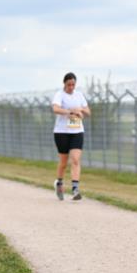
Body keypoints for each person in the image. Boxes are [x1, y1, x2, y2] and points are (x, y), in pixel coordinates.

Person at [51, 72, 90, 200]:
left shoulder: (79, 95)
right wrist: (69, 111)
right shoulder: (59, 95)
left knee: (75, 160)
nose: (71, 87)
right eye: (69, 85)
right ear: (64, 84)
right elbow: (55, 109)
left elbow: (88, 111)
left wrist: (80, 110)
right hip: (61, 132)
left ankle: (75, 189)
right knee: (63, 162)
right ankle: (59, 183)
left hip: (77, 131)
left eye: (73, 84)